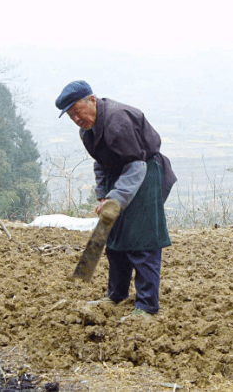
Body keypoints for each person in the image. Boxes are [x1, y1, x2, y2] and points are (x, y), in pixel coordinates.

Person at [55, 80, 176, 321]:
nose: (77, 119)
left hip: (144, 172)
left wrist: (117, 198)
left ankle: (147, 306)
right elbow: (100, 163)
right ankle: (116, 294)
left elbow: (136, 165)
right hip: (120, 174)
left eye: (78, 112)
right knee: (114, 239)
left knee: (142, 240)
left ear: (92, 100)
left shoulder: (117, 120)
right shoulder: (87, 131)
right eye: (71, 116)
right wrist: (104, 196)